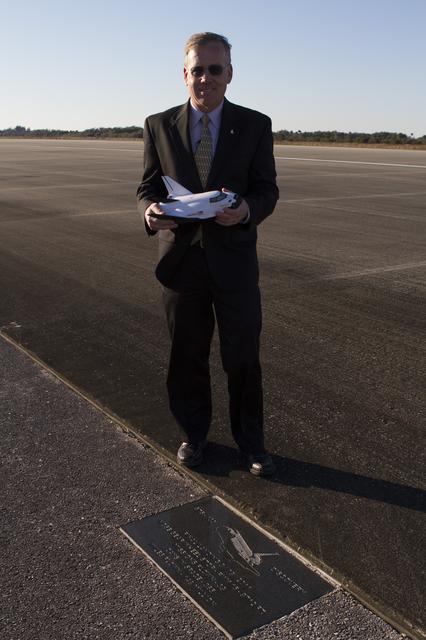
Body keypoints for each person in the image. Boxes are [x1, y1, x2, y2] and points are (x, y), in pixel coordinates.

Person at [137, 32, 279, 476]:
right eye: (197, 70)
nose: (206, 78)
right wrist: (150, 212)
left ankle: (251, 444)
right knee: (186, 356)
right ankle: (193, 435)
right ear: (184, 74)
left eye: (215, 69)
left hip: (234, 263)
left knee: (243, 357)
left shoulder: (255, 125)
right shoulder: (158, 125)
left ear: (229, 74)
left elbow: (267, 189)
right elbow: (147, 187)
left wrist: (246, 211)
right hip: (181, 263)